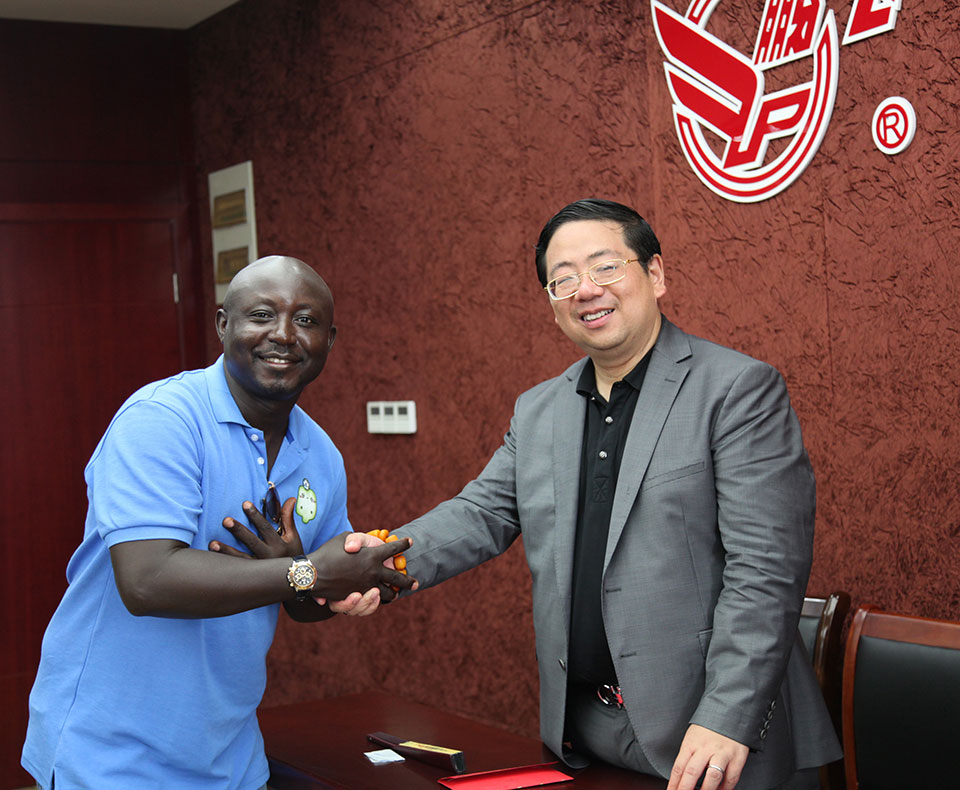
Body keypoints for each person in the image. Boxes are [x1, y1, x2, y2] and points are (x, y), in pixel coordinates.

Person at [384, 200, 843, 790]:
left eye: (605, 267)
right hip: (584, 734)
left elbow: (766, 569)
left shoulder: (735, 390)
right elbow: (482, 512)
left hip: (713, 740)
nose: (585, 290)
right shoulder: (539, 409)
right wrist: (380, 562)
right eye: (563, 279)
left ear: (655, 274)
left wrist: (726, 716)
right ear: (552, 304)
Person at [22, 255, 413, 790]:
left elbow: (305, 603)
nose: (283, 335)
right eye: (261, 315)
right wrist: (305, 572)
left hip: (230, 757)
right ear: (223, 325)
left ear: (329, 340)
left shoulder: (320, 454)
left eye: (305, 320)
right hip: (109, 755)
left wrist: (346, 584)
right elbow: (146, 581)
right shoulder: (162, 419)